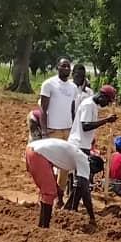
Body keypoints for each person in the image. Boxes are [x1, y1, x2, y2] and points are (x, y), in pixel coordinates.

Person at [26, 137, 95, 229]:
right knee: (49, 192)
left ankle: (41, 226)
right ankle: (44, 228)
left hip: (33, 149)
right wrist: (92, 217)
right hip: (37, 153)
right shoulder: (84, 162)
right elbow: (85, 191)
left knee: (48, 191)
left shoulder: (78, 155)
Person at [39, 58, 79, 192]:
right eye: (64, 66)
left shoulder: (73, 88)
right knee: (51, 162)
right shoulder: (49, 84)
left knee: (66, 164)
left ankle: (60, 192)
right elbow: (43, 110)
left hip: (68, 129)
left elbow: (72, 110)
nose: (66, 69)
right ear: (58, 67)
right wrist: (44, 132)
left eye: (68, 67)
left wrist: (75, 129)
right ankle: (48, 190)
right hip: (53, 129)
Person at [68, 85, 117, 154]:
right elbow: (86, 126)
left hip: (84, 145)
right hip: (79, 146)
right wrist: (106, 120)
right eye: (108, 101)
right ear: (102, 96)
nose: (107, 104)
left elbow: (90, 123)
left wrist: (91, 138)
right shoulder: (88, 105)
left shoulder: (93, 105)